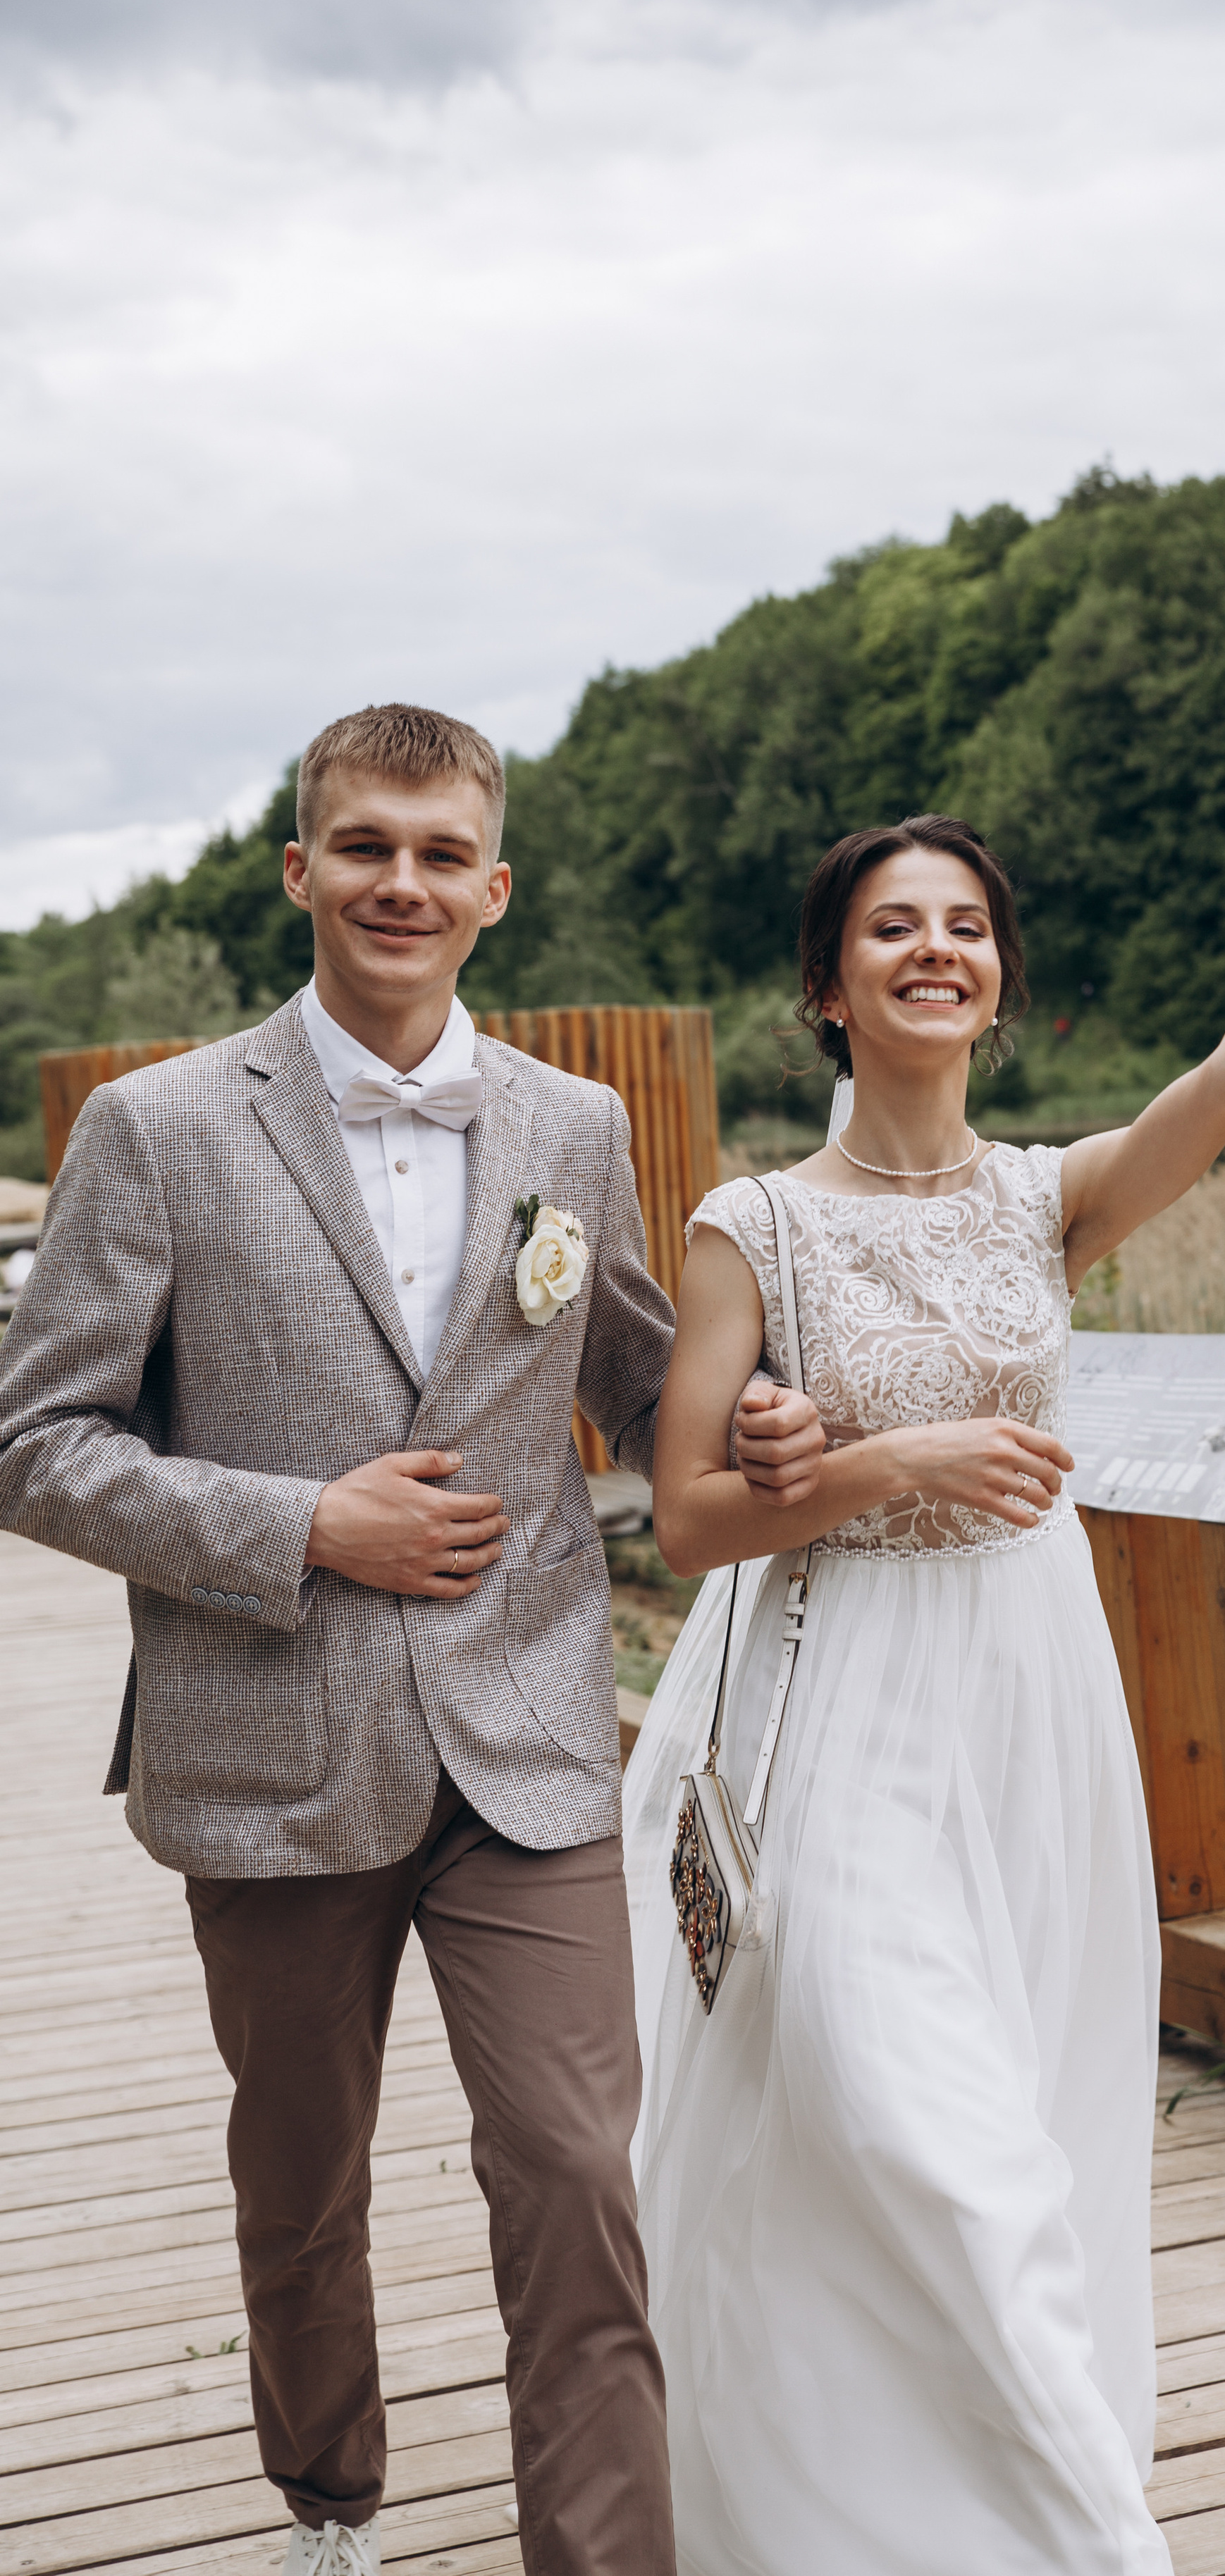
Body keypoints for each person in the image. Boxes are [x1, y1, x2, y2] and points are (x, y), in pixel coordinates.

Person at [622, 788, 1225, 2575]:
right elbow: (683, 1523)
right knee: (915, 2121)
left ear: (998, 980)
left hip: (1032, 1697)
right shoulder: (753, 1225)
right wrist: (891, 1466)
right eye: (891, 926)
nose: (932, 950)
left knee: (1023, 2111)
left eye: (961, 926)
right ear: (827, 982)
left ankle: (961, 2502)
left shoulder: (1047, 1201)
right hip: (841, 1705)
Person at [0, 703, 823, 2576]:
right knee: (304, 2187)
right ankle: (331, 2498)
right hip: (267, 1750)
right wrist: (306, 1525)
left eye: (443, 853)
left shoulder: (573, 1123)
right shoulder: (156, 1129)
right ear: (301, 870)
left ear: (496, 890)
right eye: (366, 845)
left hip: (527, 1736)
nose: (402, 881)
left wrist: (752, 1405)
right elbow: (32, 1446)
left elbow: (625, 1360)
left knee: (571, 2171)